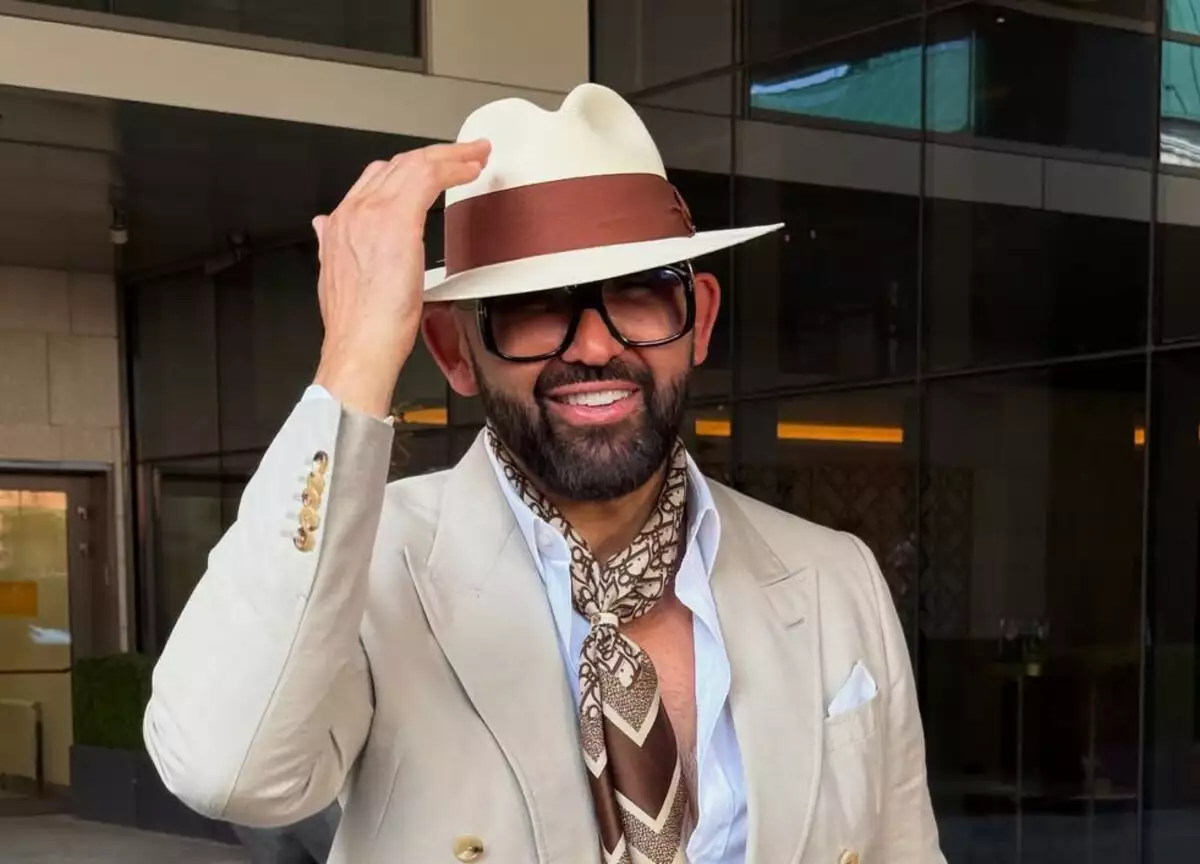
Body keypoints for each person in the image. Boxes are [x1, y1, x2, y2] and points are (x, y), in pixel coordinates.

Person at [143, 83, 946, 864]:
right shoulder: (373, 569)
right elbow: (226, 769)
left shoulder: (834, 578)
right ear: (455, 351)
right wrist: (355, 356)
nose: (595, 346)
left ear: (698, 318)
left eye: (638, 293)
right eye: (532, 304)